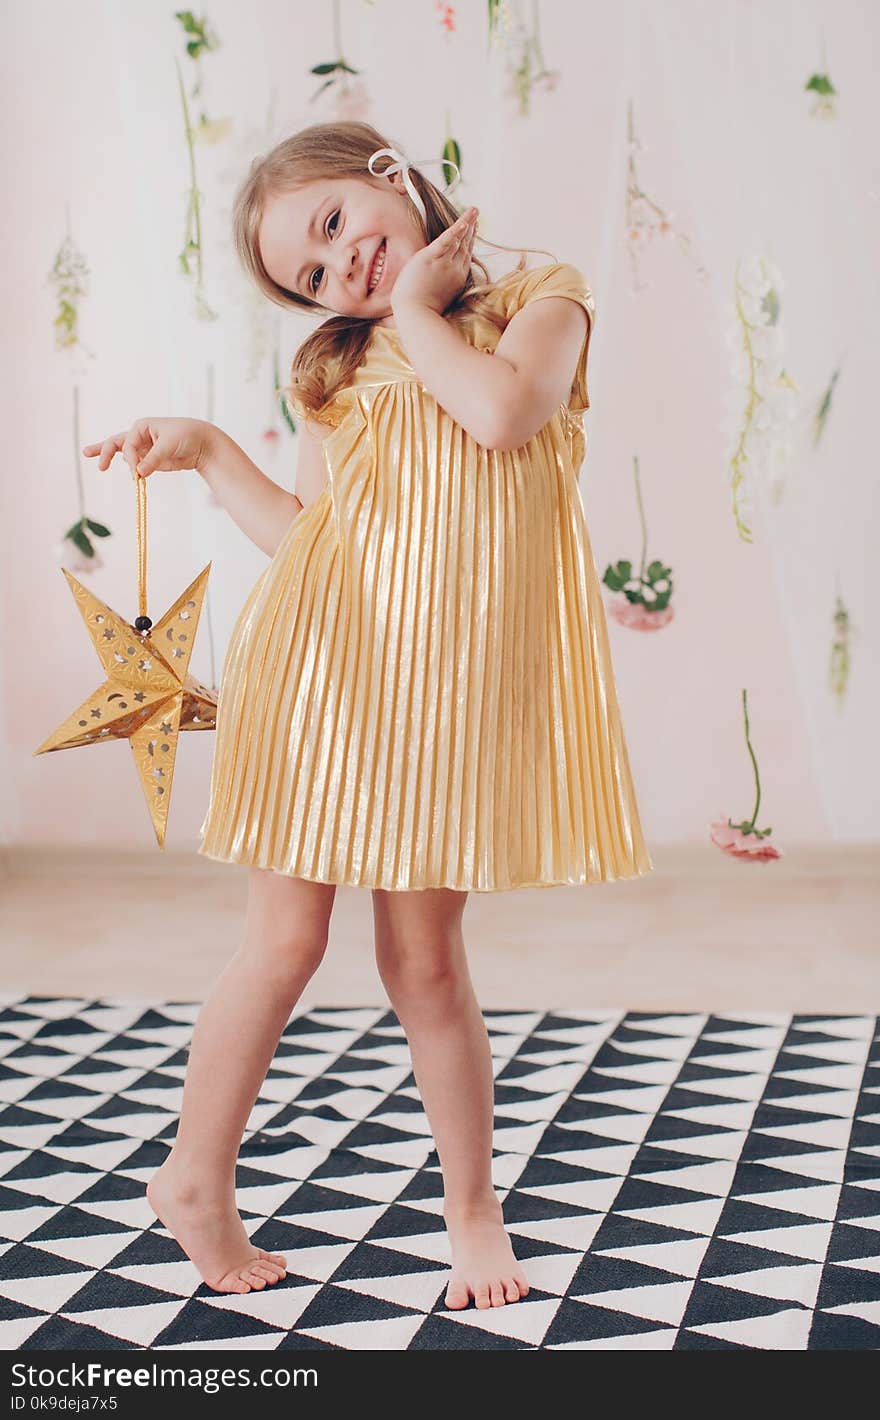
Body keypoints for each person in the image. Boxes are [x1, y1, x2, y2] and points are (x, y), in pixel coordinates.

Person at [82, 120, 653, 1310]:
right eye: (308, 269)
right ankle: (193, 1176)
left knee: (424, 963)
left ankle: (470, 1205)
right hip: (326, 672)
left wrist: (422, 313)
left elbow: (504, 417)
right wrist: (208, 449)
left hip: (443, 700)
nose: (339, 268)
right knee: (282, 944)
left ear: (390, 172)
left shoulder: (541, 299)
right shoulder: (334, 367)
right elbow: (312, 542)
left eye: (337, 222)